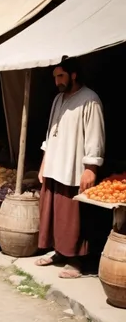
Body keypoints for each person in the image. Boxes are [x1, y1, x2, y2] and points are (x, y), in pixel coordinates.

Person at [36, 59, 105, 278]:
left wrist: (91, 168)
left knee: (73, 218)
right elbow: (51, 132)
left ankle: (76, 261)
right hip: (54, 165)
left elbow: (95, 136)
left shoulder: (90, 100)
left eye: (61, 76)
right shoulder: (58, 99)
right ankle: (59, 252)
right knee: (54, 215)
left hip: (73, 167)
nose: (58, 82)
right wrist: (44, 163)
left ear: (73, 75)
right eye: (55, 77)